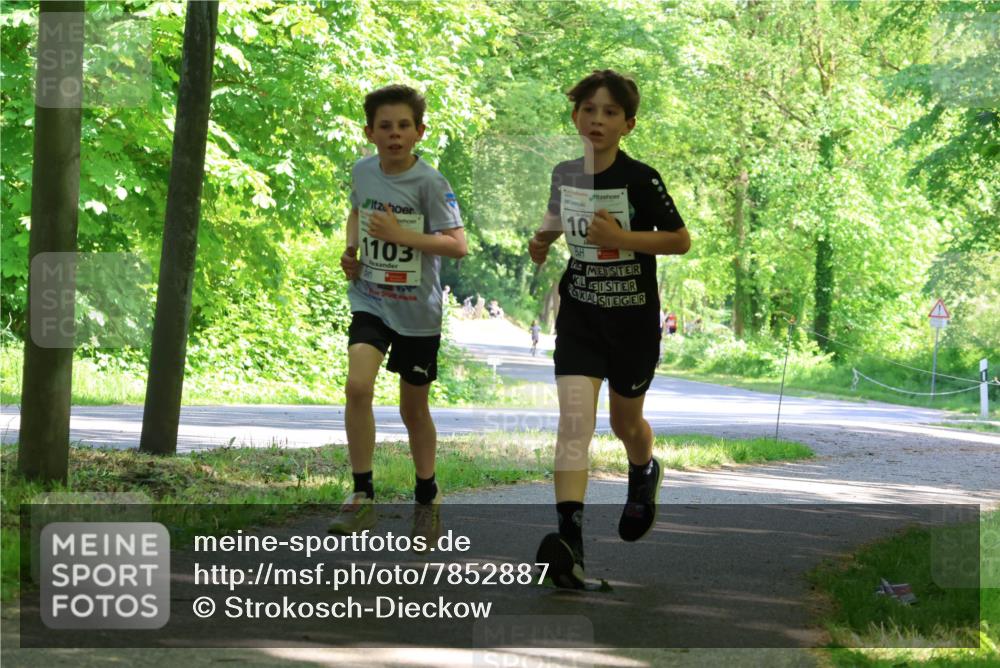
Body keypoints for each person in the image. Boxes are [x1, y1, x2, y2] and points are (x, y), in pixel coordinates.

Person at [528, 69, 691, 588]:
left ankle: (643, 470)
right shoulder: (563, 172)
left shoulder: (642, 178)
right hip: (580, 314)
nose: (597, 119)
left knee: (626, 424)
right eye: (589, 110)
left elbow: (680, 240)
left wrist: (622, 237)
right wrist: (543, 239)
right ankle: (568, 541)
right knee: (575, 422)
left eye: (610, 112)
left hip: (633, 323)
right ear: (575, 116)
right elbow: (559, 215)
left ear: (628, 124)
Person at [333, 84, 467, 543]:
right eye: (385, 126)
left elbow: (458, 245)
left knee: (413, 409)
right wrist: (351, 251)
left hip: (418, 312)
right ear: (369, 132)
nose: (394, 134)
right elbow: (357, 211)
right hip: (370, 299)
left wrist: (400, 234)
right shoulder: (362, 171)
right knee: (357, 388)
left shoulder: (431, 183)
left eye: (403, 126)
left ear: (419, 132)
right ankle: (361, 495)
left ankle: (427, 495)